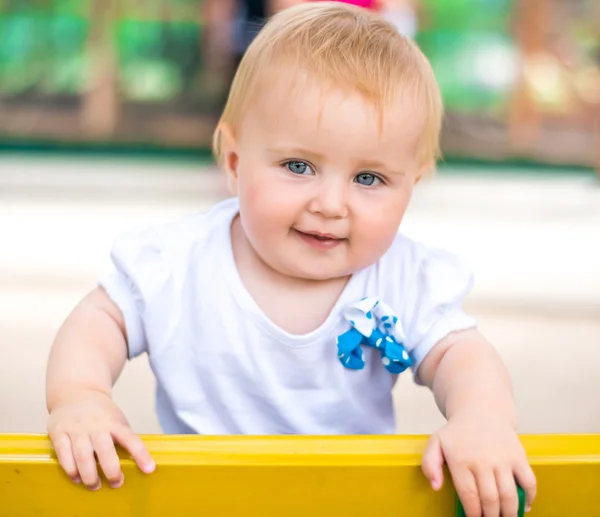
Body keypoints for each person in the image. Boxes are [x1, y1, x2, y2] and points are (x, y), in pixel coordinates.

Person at [45, 3, 536, 516]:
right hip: (204, 501)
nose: (329, 204)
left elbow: (462, 354)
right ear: (235, 164)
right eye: (298, 166)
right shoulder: (177, 262)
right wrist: (81, 395)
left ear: (412, 186)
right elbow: (101, 320)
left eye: (368, 179)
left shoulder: (402, 276)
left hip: (347, 502)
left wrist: (482, 416)